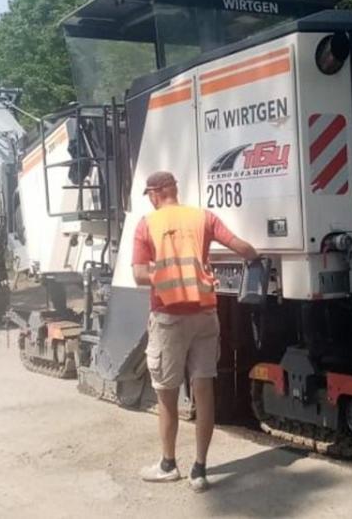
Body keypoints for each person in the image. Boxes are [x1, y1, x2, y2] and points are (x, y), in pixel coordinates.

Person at [132, 170, 258, 492]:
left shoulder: (147, 224)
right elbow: (240, 247)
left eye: (149, 195)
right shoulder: (204, 217)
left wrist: (165, 274)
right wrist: (255, 257)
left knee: (167, 394)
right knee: (204, 392)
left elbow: (139, 275)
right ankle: (199, 470)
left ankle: (168, 465)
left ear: (156, 193)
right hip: (205, 315)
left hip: (168, 318)